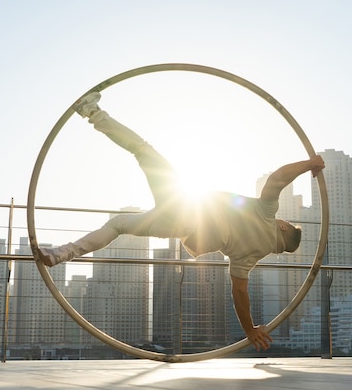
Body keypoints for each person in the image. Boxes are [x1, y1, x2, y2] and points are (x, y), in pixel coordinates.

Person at [37, 92, 325, 351]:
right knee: (119, 224)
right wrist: (250, 330)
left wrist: (310, 164)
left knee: (143, 150)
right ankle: (60, 253)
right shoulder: (251, 256)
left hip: (187, 208)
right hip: (179, 226)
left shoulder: (266, 213)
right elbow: (239, 291)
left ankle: (91, 111)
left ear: (284, 227)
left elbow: (277, 179)